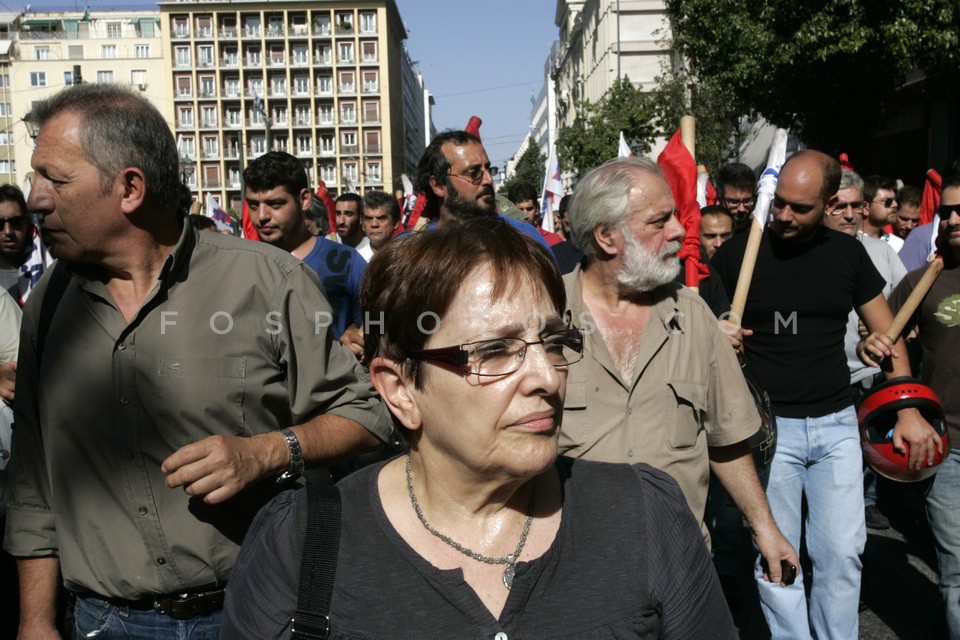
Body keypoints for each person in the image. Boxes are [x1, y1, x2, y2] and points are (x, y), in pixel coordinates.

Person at [221, 215, 737, 639]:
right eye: (494, 350)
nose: (546, 377)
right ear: (400, 390)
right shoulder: (302, 543)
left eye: (554, 341)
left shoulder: (646, 514)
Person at [3, 83, 394, 639]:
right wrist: (36, 621)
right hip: (103, 621)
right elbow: (33, 481)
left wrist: (266, 452)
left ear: (130, 188)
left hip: (256, 610)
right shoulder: (49, 303)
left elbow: (367, 416)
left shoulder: (268, 281)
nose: (36, 198)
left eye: (55, 180)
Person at [712, 150, 941, 640]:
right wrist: (717, 333)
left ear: (829, 203)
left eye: (800, 208)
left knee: (842, 552)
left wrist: (906, 408)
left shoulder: (847, 254)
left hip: (837, 423)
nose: (783, 217)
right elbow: (699, 331)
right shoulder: (739, 253)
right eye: (779, 206)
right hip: (768, 430)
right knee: (778, 554)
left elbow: (888, 335)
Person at [557, 156, 796, 582]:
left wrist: (765, 526)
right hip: (575, 570)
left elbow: (725, 439)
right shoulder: (543, 317)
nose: (680, 231)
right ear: (607, 236)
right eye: (659, 221)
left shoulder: (694, 315)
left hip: (680, 568)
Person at [887, 174, 960, 638]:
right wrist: (906, 408)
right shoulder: (921, 282)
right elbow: (882, 338)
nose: (953, 220)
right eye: (947, 212)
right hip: (949, 445)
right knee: (957, 568)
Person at [244, 151, 367, 354]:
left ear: (304, 200)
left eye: (275, 204)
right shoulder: (243, 265)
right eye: (254, 205)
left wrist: (357, 336)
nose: (262, 216)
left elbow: (377, 326)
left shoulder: (347, 262)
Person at [414, 130, 551, 251]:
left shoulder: (525, 238)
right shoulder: (413, 250)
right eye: (473, 173)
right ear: (438, 185)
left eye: (488, 169)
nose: (489, 180)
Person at [507, 181, 564, 246]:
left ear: (537, 209)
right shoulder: (503, 243)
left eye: (529, 209)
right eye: (520, 210)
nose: (525, 215)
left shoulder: (555, 241)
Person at [0, 184, 32, 302]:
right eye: (0, 224)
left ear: (28, 225)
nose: (8, 231)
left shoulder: (45, 271)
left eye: (16, 221)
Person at [861, 175, 903, 251]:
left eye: (895, 200)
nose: (895, 205)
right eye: (888, 201)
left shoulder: (898, 245)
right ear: (865, 207)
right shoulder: (850, 241)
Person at [328, 193, 372, 261]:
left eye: (348, 214)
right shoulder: (327, 242)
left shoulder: (372, 244)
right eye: (338, 214)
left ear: (361, 218)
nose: (341, 221)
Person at [716, 162, 757, 234]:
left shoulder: (759, 230)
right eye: (734, 202)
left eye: (746, 201)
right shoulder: (707, 229)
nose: (741, 209)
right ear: (720, 198)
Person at [361, 190, 401, 254]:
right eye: (369, 218)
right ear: (362, 224)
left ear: (395, 223)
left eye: (381, 218)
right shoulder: (353, 260)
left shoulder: (407, 258)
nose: (374, 224)